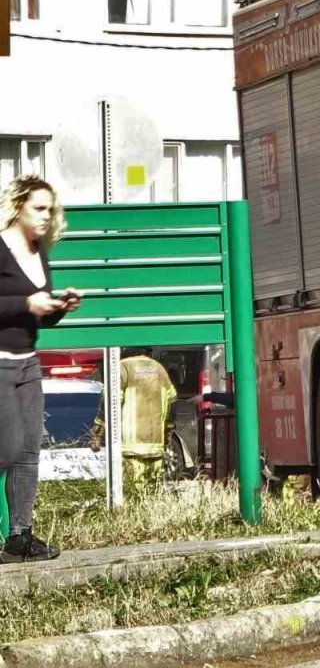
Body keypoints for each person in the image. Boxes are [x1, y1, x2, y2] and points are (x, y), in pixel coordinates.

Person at [0, 175, 81, 563]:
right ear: (18, 207)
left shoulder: (38, 251)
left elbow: (37, 317)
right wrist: (26, 304)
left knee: (29, 450)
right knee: (7, 447)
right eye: (39, 208)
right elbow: (14, 306)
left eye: (51, 209)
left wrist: (57, 308)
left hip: (27, 363)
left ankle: (19, 536)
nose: (47, 216)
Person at [90, 348, 178, 492]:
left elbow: (110, 402)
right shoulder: (159, 369)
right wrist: (167, 433)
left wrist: (97, 432)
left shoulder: (123, 367)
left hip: (130, 449)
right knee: (151, 494)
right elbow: (173, 401)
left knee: (132, 494)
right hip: (155, 448)